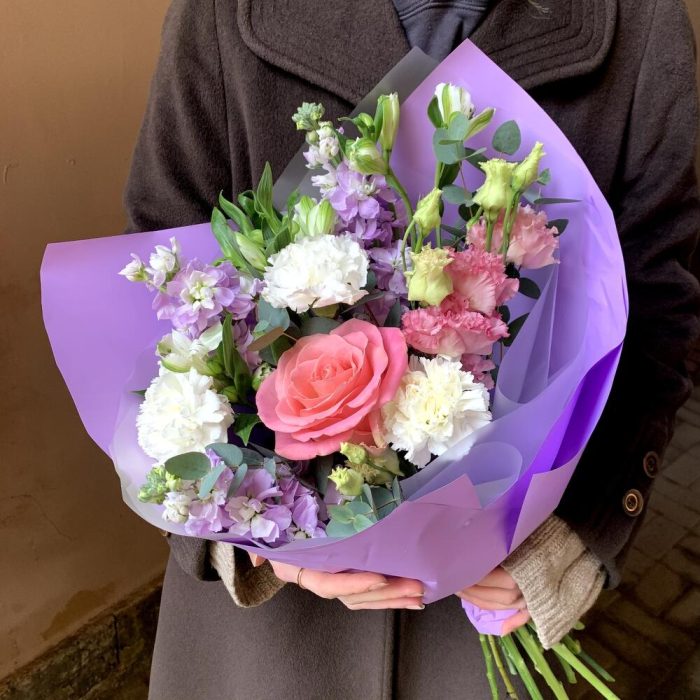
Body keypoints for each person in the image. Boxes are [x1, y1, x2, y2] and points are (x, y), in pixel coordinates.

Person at [124, 1, 700, 697]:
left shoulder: (640, 24)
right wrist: (245, 534)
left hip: (494, 594)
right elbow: (161, 281)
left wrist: (580, 531)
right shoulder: (218, 15)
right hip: (271, 627)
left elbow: (658, 303)